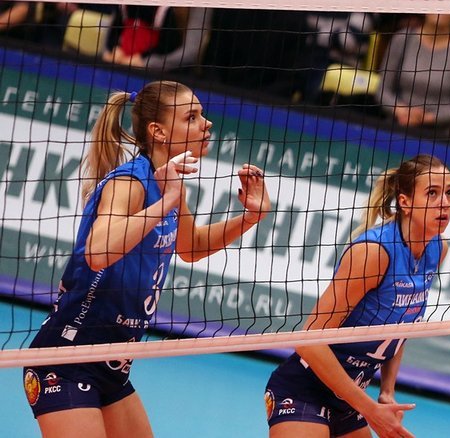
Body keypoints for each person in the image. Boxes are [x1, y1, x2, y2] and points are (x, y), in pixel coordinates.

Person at [23, 80, 271, 437]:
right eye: (191, 117)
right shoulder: (130, 181)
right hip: (66, 359)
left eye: (202, 114)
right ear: (158, 131)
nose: (207, 124)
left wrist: (250, 217)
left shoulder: (168, 184)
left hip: (112, 365)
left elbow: (191, 246)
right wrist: (166, 201)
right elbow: (97, 253)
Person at [265, 154, 450, 438]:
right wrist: (369, 410)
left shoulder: (437, 249)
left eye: (449, 192)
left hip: (350, 399)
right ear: (405, 202)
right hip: (305, 389)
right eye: (432, 193)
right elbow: (308, 341)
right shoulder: (373, 252)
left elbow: (400, 329)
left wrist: (387, 391)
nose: (444, 203)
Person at [204, 0, 311, 100]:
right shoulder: (228, 5)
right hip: (224, 95)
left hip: (270, 101)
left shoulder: (295, 16)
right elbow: (213, 58)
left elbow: (293, 75)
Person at [377, 0, 450, 139]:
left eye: (448, 3)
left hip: (441, 134)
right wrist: (400, 110)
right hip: (397, 125)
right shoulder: (402, 39)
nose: (440, 7)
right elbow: (383, 89)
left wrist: (426, 118)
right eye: (436, 0)